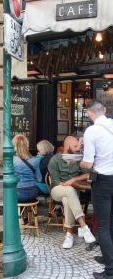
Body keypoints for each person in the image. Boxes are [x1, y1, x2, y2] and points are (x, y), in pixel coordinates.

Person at [80, 99, 113, 279]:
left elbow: (88, 163)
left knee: (103, 226)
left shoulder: (91, 131)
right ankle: (109, 257)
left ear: (89, 114)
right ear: (105, 110)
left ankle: (110, 271)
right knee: (111, 223)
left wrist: (75, 160)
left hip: (103, 182)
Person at [48, 135, 95, 249]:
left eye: (79, 146)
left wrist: (74, 180)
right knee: (68, 190)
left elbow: (89, 174)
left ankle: (69, 235)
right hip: (57, 190)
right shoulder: (55, 160)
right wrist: (68, 184)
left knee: (67, 199)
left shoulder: (78, 160)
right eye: (75, 146)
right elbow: (55, 181)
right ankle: (84, 227)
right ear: (67, 145)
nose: (78, 149)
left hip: (72, 192)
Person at [12, 134, 41, 203]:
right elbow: (39, 179)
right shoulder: (35, 160)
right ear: (26, 145)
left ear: (14, 146)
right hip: (33, 193)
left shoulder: (12, 160)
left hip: (18, 194)